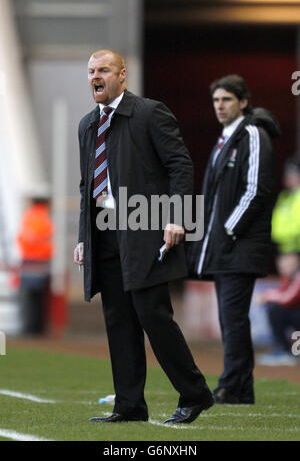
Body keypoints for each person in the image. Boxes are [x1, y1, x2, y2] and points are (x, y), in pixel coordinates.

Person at [74, 49, 213, 424]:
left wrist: (178, 218)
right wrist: (83, 236)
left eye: (103, 69)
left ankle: (195, 393)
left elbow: (180, 164)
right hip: (104, 235)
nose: (95, 77)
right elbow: (88, 184)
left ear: (122, 74)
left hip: (144, 231)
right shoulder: (88, 124)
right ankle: (129, 405)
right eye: (90, 71)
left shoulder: (150, 113)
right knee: (118, 321)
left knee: (153, 316)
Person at [187, 74, 281, 404]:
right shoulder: (225, 138)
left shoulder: (252, 134)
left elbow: (257, 189)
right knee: (230, 318)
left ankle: (234, 384)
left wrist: (228, 230)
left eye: (226, 99)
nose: (220, 106)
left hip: (239, 245)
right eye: (216, 100)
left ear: (243, 102)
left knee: (233, 317)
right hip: (225, 247)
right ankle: (238, 386)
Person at [17, 197, 54, 334]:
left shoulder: (28, 217)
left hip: (28, 261)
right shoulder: (44, 218)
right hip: (41, 261)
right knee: (39, 298)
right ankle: (37, 328)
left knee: (29, 296)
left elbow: (21, 238)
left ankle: (30, 327)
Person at [257, 252, 300, 366]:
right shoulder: (289, 278)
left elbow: (288, 298)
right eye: (281, 266)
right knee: (278, 310)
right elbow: (282, 292)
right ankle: (285, 351)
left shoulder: (298, 276)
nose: (284, 269)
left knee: (276, 311)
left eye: (288, 265)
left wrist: (266, 296)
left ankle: (284, 351)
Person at [271, 158, 300, 254]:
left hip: (295, 249)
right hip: (284, 248)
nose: (287, 176)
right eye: (286, 173)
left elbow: (297, 226)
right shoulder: (284, 196)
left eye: (291, 173)